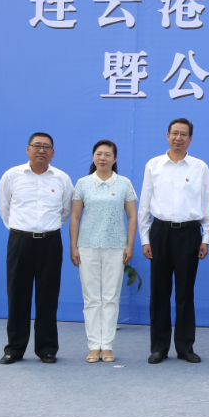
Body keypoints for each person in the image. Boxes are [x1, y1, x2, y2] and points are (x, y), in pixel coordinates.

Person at [138, 118, 209, 365]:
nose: (178, 138)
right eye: (174, 133)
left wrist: (206, 238)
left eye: (183, 134)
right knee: (159, 292)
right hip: (160, 232)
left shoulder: (200, 167)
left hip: (189, 234)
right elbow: (144, 204)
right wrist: (145, 238)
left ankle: (185, 347)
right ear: (167, 135)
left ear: (190, 138)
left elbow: (207, 203)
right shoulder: (154, 165)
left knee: (185, 292)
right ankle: (159, 347)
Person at [0, 132, 74, 364]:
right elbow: (4, 208)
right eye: (37, 146)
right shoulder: (12, 175)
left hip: (50, 242)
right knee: (17, 296)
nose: (42, 150)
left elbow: (65, 211)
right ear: (28, 149)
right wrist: (22, 231)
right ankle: (14, 348)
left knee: (48, 296)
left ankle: (47, 348)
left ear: (53, 152)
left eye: (46, 147)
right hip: (20, 241)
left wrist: (46, 230)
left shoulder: (62, 178)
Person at [69, 140, 138, 364]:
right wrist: (73, 246)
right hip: (87, 246)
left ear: (115, 159)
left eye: (108, 154)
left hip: (116, 247)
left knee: (110, 297)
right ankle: (93, 346)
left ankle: (106, 345)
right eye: (99, 154)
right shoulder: (83, 183)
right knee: (91, 298)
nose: (103, 158)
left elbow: (132, 216)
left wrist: (129, 245)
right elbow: (75, 217)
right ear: (93, 157)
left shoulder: (124, 183)